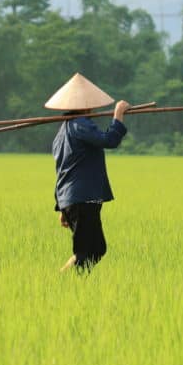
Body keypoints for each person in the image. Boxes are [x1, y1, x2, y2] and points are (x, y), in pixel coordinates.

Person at [47, 72, 130, 272]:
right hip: (82, 199)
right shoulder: (80, 124)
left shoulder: (62, 133)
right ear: (85, 105)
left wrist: (62, 206)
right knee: (87, 251)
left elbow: (62, 171)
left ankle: (69, 283)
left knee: (96, 249)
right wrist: (118, 115)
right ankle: (63, 283)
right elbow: (109, 140)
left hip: (76, 200)